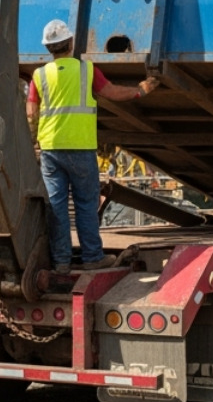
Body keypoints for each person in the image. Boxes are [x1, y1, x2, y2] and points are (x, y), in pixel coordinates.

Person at [26, 19, 159, 274]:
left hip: (51, 150)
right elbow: (112, 92)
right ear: (71, 43)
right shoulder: (86, 70)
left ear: (48, 48)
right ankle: (92, 257)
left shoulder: (39, 75)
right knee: (86, 205)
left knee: (57, 207)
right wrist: (140, 91)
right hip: (81, 148)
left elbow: (31, 113)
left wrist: (34, 140)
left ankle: (62, 262)